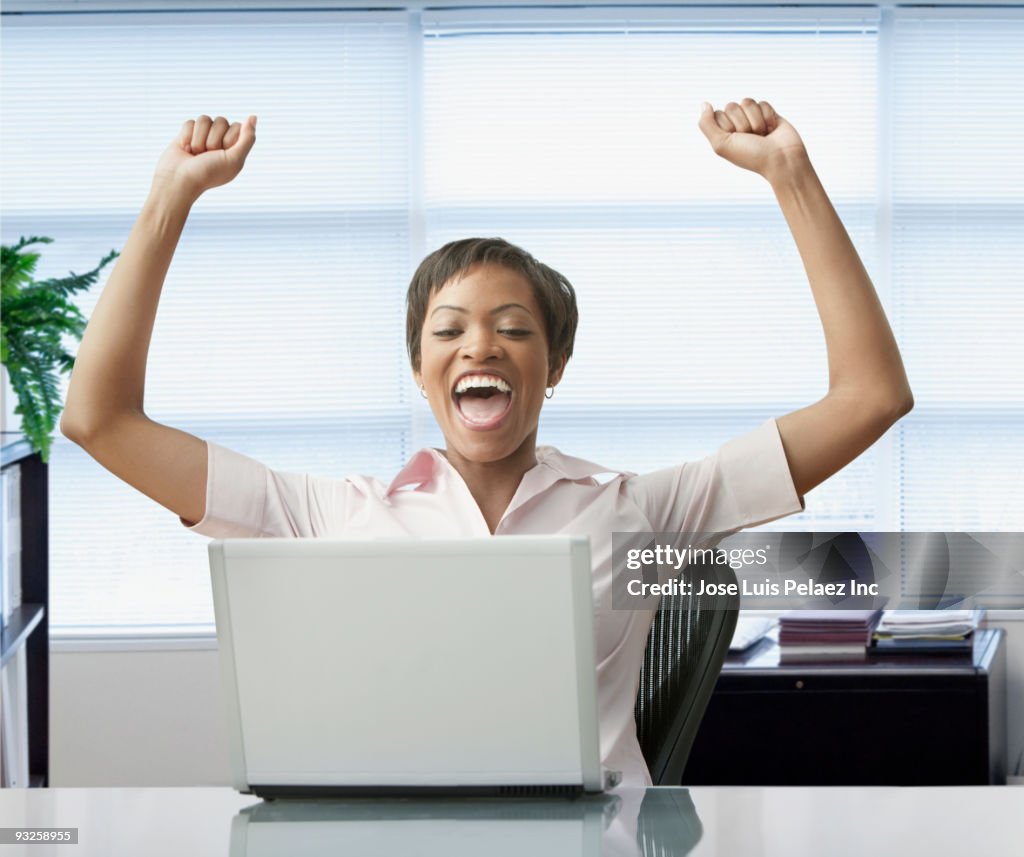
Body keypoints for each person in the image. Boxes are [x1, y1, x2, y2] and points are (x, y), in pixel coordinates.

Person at [61, 101, 913, 788]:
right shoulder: (328, 512)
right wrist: (169, 197)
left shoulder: (642, 508)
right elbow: (99, 421)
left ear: (555, 366)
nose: (481, 347)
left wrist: (791, 176)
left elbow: (871, 396)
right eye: (450, 330)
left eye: (514, 329)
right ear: (420, 366)